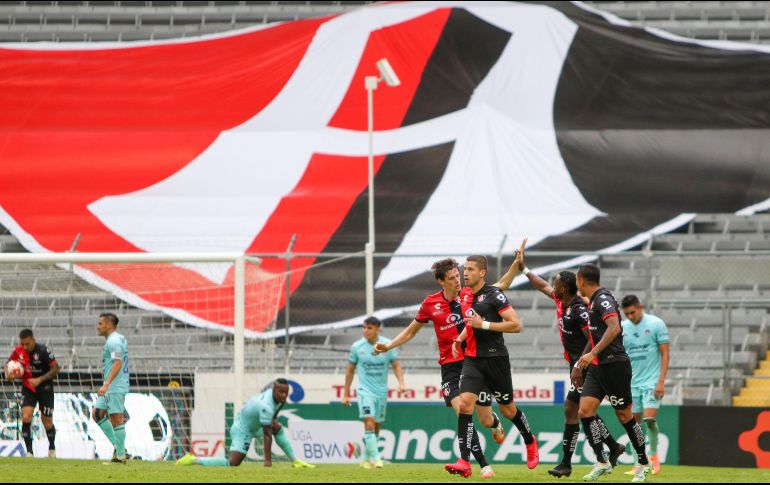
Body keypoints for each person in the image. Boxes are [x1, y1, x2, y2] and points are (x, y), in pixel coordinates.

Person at [374, 257, 514, 478]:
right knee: (462, 410)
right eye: (452, 278)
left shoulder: (470, 293)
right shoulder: (430, 304)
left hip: (474, 362)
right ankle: (484, 465)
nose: (458, 280)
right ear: (441, 281)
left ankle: (495, 423)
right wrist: (389, 345)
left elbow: (502, 284)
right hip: (450, 366)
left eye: (458, 275)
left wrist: (516, 265)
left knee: (485, 419)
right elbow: (411, 331)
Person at [516, 240, 625, 478]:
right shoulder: (561, 301)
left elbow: (592, 337)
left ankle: (581, 459)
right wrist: (523, 269)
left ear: (564, 289)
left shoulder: (578, 309)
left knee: (577, 409)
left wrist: (579, 364)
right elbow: (541, 285)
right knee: (577, 410)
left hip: (586, 366)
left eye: (556, 283)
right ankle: (611, 447)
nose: (552, 286)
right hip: (576, 365)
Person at [445, 255, 539, 477]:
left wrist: (483, 324)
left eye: (470, 269)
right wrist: (460, 338)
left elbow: (516, 325)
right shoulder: (465, 293)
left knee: (508, 410)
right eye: (464, 269)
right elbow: (471, 322)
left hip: (496, 359)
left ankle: (529, 440)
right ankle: (464, 461)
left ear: (482, 273)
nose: (465, 273)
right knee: (465, 406)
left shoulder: (494, 295)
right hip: (473, 359)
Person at [571, 264, 650, 482]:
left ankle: (643, 462)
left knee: (624, 416)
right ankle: (602, 460)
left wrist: (592, 353)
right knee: (585, 411)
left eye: (577, 280)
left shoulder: (603, 299)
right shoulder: (593, 300)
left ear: (581, 280)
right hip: (598, 367)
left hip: (615, 365)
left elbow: (614, 327)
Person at [176, 378, 315, 468]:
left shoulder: (280, 398)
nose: (284, 395)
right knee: (232, 463)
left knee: (277, 427)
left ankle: (295, 460)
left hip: (255, 424)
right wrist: (268, 461)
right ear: (274, 390)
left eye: (286, 392)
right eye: (281, 392)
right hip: (242, 429)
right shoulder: (266, 406)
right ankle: (193, 459)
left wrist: (272, 422)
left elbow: (273, 419)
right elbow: (267, 435)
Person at [342, 316, 405, 469]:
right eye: (364, 327)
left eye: (369, 328)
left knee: (376, 426)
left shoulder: (387, 345)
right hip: (365, 391)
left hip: (381, 392)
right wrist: (346, 393)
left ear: (377, 329)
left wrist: (401, 383)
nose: (365, 330)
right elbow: (350, 370)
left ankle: (365, 459)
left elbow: (396, 365)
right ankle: (377, 459)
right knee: (369, 422)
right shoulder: (357, 347)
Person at [621, 295, 670, 476]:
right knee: (633, 424)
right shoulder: (622, 328)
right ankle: (637, 463)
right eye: (627, 314)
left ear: (640, 307)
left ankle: (654, 456)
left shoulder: (656, 324)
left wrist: (661, 381)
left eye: (633, 312)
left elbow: (665, 353)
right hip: (631, 383)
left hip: (652, 381)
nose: (630, 316)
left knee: (649, 420)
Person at [7, 329, 59, 457]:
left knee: (47, 421)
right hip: (28, 388)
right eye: (23, 344)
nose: (25, 347)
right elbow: (7, 363)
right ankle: (29, 452)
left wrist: (39, 379)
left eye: (27, 344)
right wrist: (7, 374)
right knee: (26, 417)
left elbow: (56, 369)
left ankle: (52, 448)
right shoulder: (18, 351)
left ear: (33, 341)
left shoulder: (43, 351)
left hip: (45, 387)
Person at [93, 312, 130, 464]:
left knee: (116, 418)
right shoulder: (118, 338)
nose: (98, 326)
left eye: (100, 323)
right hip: (112, 385)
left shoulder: (113, 341)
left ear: (109, 325)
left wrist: (106, 384)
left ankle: (120, 456)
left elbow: (118, 362)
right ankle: (119, 448)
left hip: (114, 386)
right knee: (97, 414)